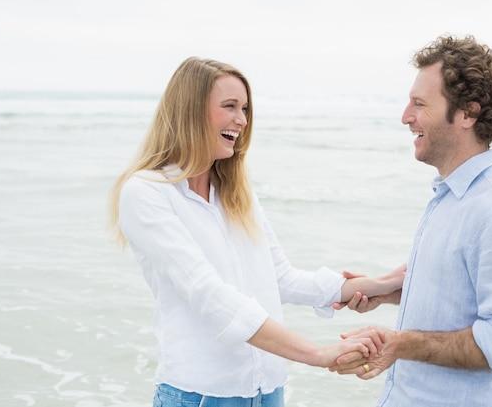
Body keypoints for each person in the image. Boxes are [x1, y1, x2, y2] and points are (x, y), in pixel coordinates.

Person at [107, 56, 405, 407]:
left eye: (245, 108)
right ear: (191, 111)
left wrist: (382, 284)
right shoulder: (146, 192)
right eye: (230, 106)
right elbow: (210, 295)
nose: (242, 120)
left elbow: (282, 278)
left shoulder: (236, 195)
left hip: (267, 393)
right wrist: (318, 353)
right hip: (200, 396)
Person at [330, 35, 492, 407]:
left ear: (467, 113)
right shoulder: (449, 196)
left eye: (419, 104)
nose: (405, 116)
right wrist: (394, 291)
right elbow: (458, 293)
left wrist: (400, 344)